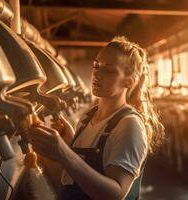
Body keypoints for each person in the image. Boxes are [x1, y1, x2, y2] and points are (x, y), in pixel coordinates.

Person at [28, 36, 164, 200]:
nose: (97, 74)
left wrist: (64, 153)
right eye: (96, 66)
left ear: (129, 81)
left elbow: (116, 194)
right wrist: (70, 144)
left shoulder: (129, 125)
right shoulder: (88, 116)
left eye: (109, 70)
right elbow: (80, 172)